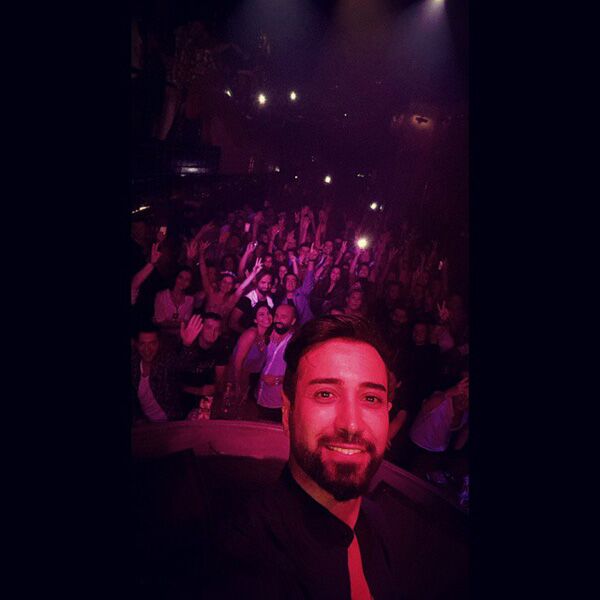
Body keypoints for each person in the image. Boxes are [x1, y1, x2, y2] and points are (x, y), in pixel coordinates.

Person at [206, 315, 401, 598]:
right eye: (325, 394)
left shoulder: (377, 519)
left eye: (371, 398)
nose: (351, 424)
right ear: (287, 413)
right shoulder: (244, 556)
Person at [131, 324, 186, 422]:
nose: (147, 349)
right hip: (145, 425)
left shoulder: (166, 361)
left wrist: (186, 345)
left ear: (158, 344)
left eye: (152, 343)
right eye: (142, 344)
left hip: (172, 422)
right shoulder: (133, 365)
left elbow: (180, 364)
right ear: (136, 344)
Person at [178, 313, 230, 414]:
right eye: (209, 327)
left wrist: (219, 389)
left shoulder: (221, 348)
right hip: (182, 399)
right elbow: (172, 382)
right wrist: (198, 391)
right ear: (200, 328)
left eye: (217, 329)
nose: (212, 332)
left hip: (206, 401)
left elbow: (220, 380)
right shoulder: (187, 345)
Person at [255, 303, 297, 422]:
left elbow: (300, 372)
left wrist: (278, 380)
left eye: (284, 317)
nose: (278, 320)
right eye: (277, 316)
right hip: (258, 395)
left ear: (293, 321)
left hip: (277, 403)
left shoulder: (294, 343)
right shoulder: (269, 335)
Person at [229, 302, 273, 410]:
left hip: (248, 381)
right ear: (255, 320)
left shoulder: (265, 337)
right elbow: (237, 362)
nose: (266, 316)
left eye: (268, 313)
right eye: (261, 314)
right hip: (236, 379)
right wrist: (237, 385)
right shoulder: (250, 334)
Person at [228, 269, 274, 334]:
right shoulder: (246, 299)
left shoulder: (270, 302)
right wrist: (250, 335)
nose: (266, 286)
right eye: (263, 282)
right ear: (257, 282)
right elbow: (232, 323)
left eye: (269, 283)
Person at [153, 266, 194, 335]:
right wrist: (180, 324)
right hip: (161, 335)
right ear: (175, 277)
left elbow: (186, 322)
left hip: (180, 336)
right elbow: (160, 322)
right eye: (180, 277)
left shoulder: (190, 300)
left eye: (187, 280)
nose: (183, 282)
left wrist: (168, 323)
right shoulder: (161, 296)